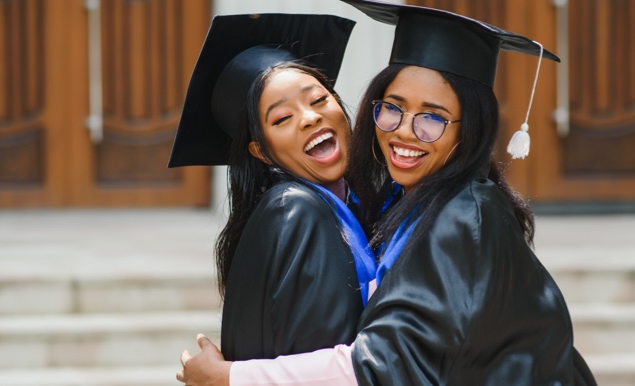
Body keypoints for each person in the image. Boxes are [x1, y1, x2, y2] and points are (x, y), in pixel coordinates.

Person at [177, 1, 596, 385]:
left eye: (433, 117)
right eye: (392, 107)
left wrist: (231, 377)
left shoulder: (465, 215)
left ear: (471, 128)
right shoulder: (400, 204)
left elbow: (386, 363)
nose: (404, 130)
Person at [168, 12, 378, 373]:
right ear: (261, 152)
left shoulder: (348, 203)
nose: (310, 118)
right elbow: (316, 366)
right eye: (281, 119)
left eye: (318, 100)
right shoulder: (296, 212)